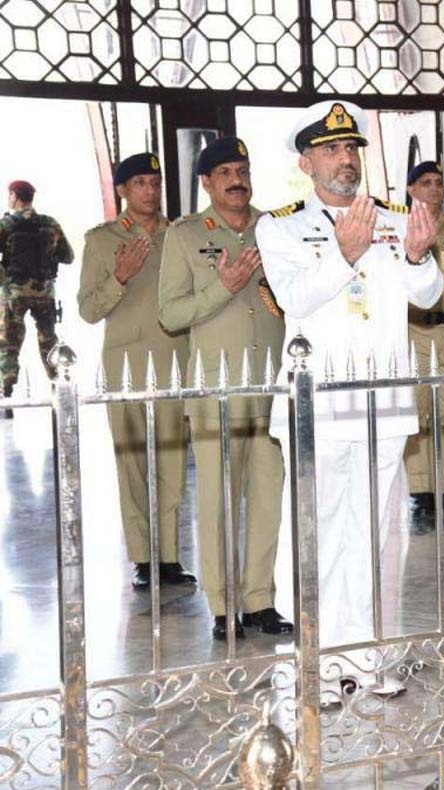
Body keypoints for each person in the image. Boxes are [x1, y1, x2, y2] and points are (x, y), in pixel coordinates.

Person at [256, 100, 443, 696]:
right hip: (321, 405)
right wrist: (345, 252)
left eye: (352, 148)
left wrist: (415, 254)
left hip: (383, 403)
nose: (345, 159)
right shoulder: (279, 224)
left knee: (378, 534)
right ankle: (316, 659)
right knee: (317, 531)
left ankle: (367, 655)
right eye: (332, 149)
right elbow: (295, 300)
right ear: (306, 160)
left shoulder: (390, 215)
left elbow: (430, 293)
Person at [158, 137, 290, 641]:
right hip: (217, 390)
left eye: (243, 169)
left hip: (271, 388)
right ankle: (223, 606)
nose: (238, 179)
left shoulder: (275, 228)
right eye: (226, 172)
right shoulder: (186, 235)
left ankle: (260, 601)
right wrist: (225, 286)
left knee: (266, 500)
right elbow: (170, 314)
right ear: (207, 183)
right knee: (217, 503)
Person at [78, 153, 195, 591]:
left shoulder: (180, 235)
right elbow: (89, 310)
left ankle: (168, 558)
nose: (149, 191)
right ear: (124, 191)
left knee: (170, 463)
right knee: (132, 463)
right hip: (125, 364)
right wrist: (120, 278)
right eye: (140, 184)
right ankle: (143, 559)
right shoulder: (102, 241)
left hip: (173, 362)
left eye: (155, 182)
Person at [402, 161, 444, 520]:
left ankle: (442, 487)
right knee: (417, 411)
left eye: (439, 183)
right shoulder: (400, 227)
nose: (434, 189)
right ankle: (420, 490)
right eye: (426, 183)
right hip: (415, 327)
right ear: (412, 189)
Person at [0, 180, 74, 414]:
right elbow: (68, 256)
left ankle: (6, 394)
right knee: (48, 340)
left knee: (8, 344)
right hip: (44, 292)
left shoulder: (6, 225)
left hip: (15, 293)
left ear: (14, 196)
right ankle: (58, 389)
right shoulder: (49, 224)